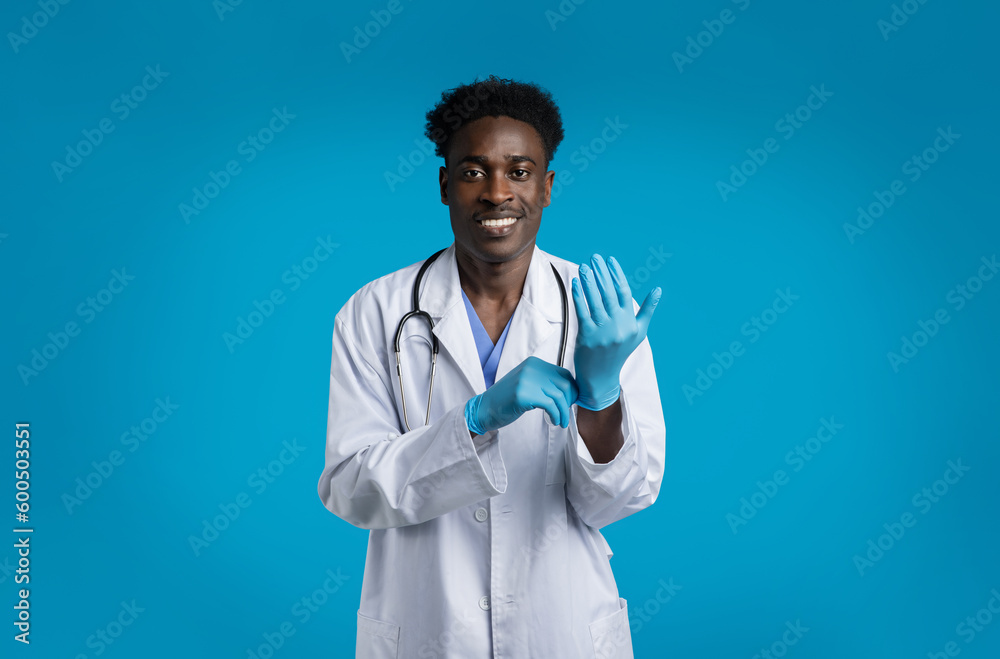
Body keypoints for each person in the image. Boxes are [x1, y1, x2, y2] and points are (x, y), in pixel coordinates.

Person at [318, 75, 666, 659]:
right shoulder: (374, 312)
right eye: (474, 171)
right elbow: (351, 491)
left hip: (562, 630)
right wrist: (475, 420)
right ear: (445, 185)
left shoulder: (603, 312)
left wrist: (601, 396)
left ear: (547, 186)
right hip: (427, 628)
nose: (497, 192)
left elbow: (617, 501)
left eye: (520, 171)